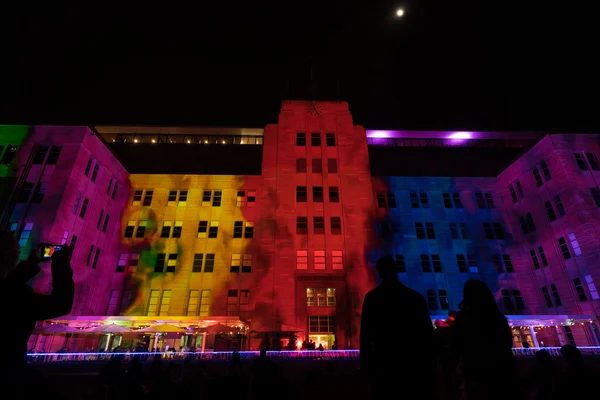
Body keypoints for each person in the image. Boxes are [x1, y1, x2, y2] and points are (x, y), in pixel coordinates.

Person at [0, 232, 74, 398]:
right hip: (8, 375)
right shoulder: (17, 297)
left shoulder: (11, 290)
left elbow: (9, 285)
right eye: (17, 248)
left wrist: (31, 264)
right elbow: (61, 303)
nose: (20, 251)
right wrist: (61, 265)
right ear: (8, 256)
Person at [360, 255, 435, 400]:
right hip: (412, 364)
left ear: (380, 272)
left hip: (384, 363)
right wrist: (429, 365)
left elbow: (366, 335)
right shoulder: (415, 298)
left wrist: (366, 366)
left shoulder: (372, 298)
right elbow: (426, 335)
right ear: (396, 271)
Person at [451, 280, 520, 400]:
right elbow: (506, 344)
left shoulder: (464, 319)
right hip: (503, 375)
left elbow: (455, 347)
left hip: (475, 374)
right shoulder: (498, 318)